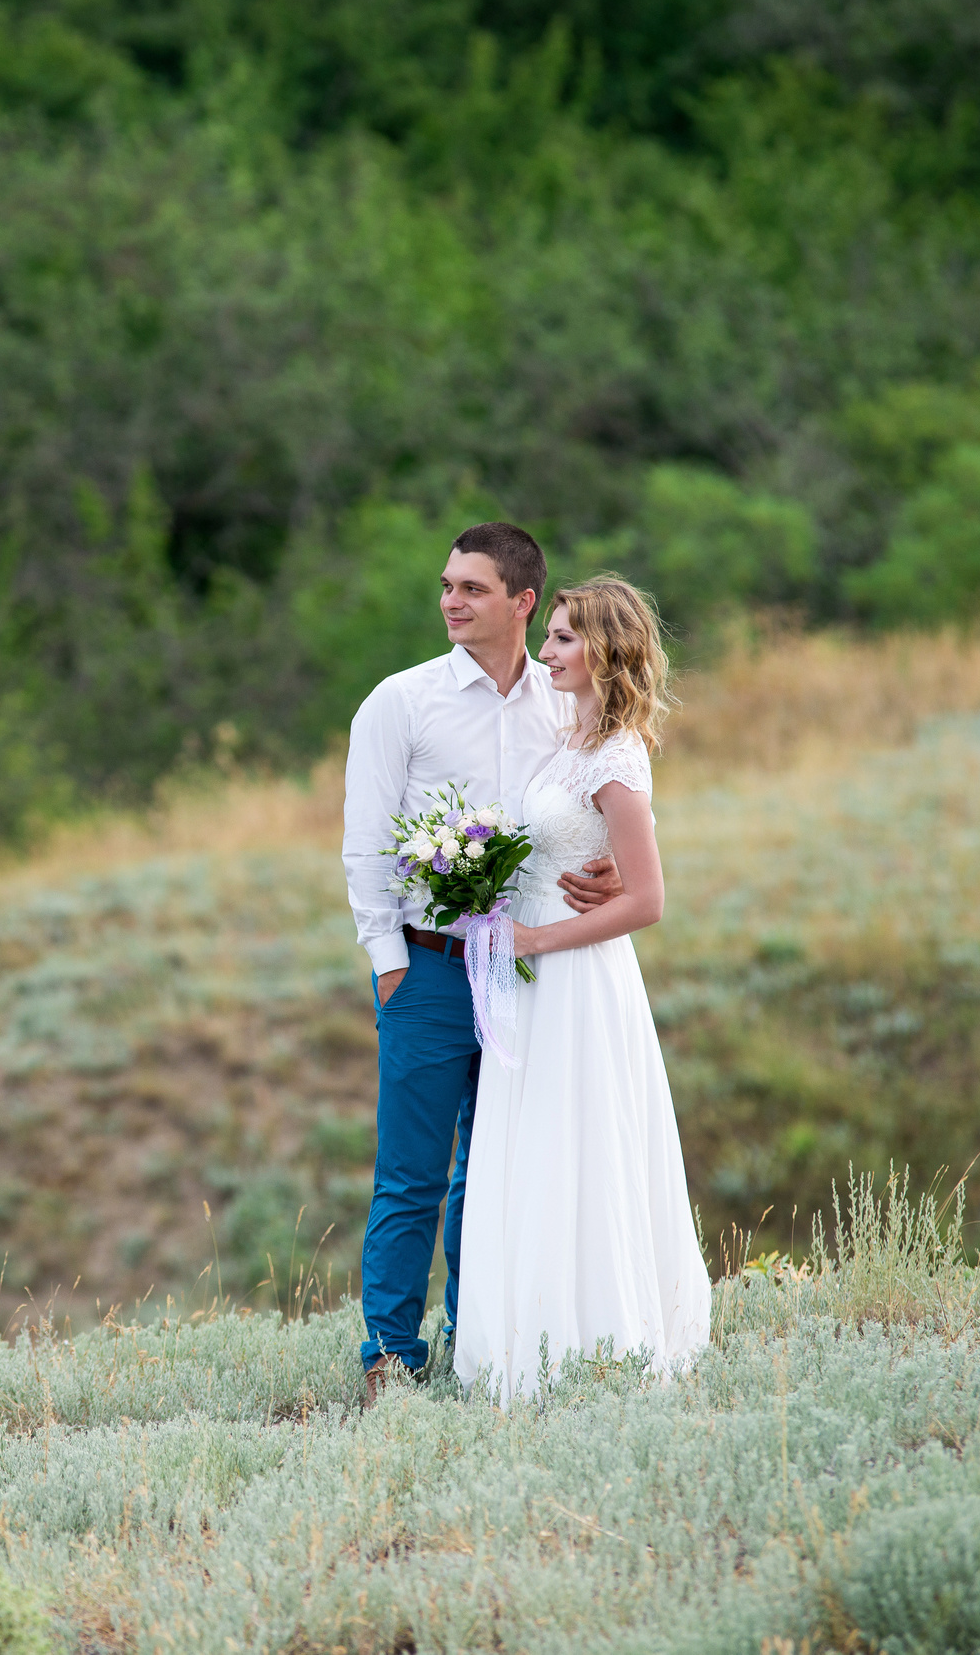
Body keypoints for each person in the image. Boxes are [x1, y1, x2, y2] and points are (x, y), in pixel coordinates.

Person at [340, 522, 620, 1403]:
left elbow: (587, 804)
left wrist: (602, 861)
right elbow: (364, 847)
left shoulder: (564, 701)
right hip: (425, 969)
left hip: (520, 972)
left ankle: (475, 1342)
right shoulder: (402, 701)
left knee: (490, 1168)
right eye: (448, 586)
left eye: (472, 589)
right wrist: (389, 964)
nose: (451, 602)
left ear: (523, 602)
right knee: (412, 1174)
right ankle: (389, 1355)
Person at [451, 573, 711, 1404]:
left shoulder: (616, 754)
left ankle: (604, 1339)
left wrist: (537, 937)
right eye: (553, 634)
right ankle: (532, 1341)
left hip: (577, 978)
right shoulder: (569, 741)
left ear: (605, 649)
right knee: (531, 1147)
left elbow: (648, 898)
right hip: (531, 975)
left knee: (582, 1144)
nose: (550, 651)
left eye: (564, 638)